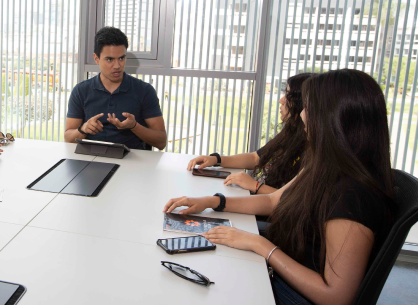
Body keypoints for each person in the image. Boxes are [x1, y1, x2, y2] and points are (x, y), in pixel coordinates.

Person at [164, 69, 395, 305]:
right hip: (284, 261)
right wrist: (212, 201)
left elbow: (336, 297)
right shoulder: (324, 164)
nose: (303, 114)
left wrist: (260, 245)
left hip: (295, 291)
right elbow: (273, 201)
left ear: (336, 119)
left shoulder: (353, 196)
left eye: (310, 107)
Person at [188, 73, 313, 194]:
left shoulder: (312, 150)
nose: (281, 100)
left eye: (288, 95)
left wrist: (255, 186)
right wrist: (216, 159)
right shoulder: (292, 133)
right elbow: (256, 158)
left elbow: (291, 200)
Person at [64, 27, 167, 150]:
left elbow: (161, 142)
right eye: (109, 59)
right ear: (96, 59)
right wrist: (83, 129)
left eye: (121, 58)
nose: (117, 66)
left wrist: (134, 126)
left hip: (133, 162)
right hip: (92, 159)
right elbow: (68, 139)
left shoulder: (144, 90)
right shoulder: (81, 91)